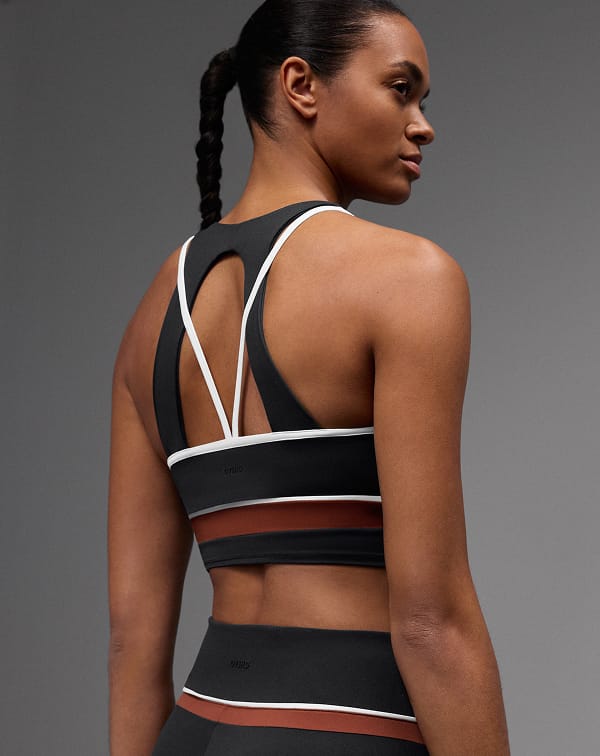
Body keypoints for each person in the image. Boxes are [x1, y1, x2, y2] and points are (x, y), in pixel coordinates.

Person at [108, 1, 511, 753]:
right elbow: (433, 624)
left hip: (196, 729)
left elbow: (133, 638)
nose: (423, 126)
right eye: (401, 89)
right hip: (348, 728)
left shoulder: (155, 309)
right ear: (301, 85)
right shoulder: (409, 279)